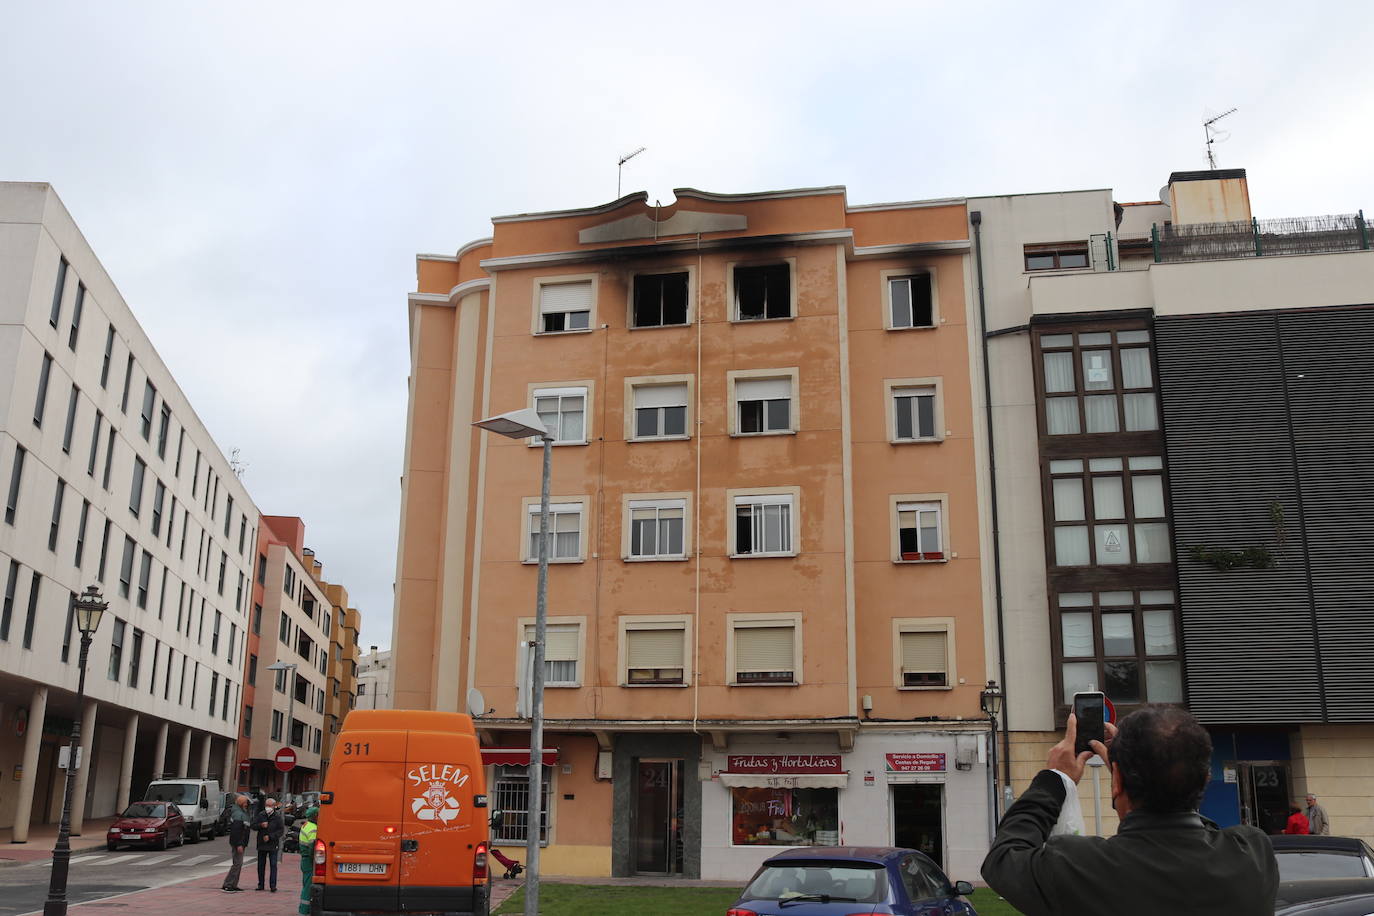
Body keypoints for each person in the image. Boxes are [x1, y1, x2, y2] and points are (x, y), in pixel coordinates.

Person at [982, 704, 1278, 916]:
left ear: (1117, 779)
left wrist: (1053, 780)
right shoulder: (1253, 854)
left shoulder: (1080, 867)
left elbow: (1003, 858)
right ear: (1204, 779)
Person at [254, 796, 285, 892]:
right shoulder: (261, 815)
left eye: (270, 805)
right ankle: (261, 884)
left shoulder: (277, 817)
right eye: (266, 805)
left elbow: (280, 831)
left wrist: (271, 837)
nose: (268, 807)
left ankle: (273, 885)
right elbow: (253, 825)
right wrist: (260, 825)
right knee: (260, 865)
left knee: (273, 865)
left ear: (274, 806)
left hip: (272, 844)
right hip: (262, 844)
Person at [221, 795, 251, 892]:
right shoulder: (239, 814)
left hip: (239, 842)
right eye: (246, 802)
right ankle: (228, 884)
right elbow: (238, 831)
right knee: (237, 864)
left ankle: (233, 884)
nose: (247, 804)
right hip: (238, 843)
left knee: (238, 863)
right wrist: (239, 844)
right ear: (242, 803)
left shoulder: (240, 812)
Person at [297, 806, 319, 916]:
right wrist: (315, 860)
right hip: (309, 861)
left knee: (306, 884)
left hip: (304, 860)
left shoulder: (306, 825)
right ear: (315, 816)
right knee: (308, 887)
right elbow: (312, 847)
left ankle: (305, 909)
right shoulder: (313, 828)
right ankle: (304, 911)